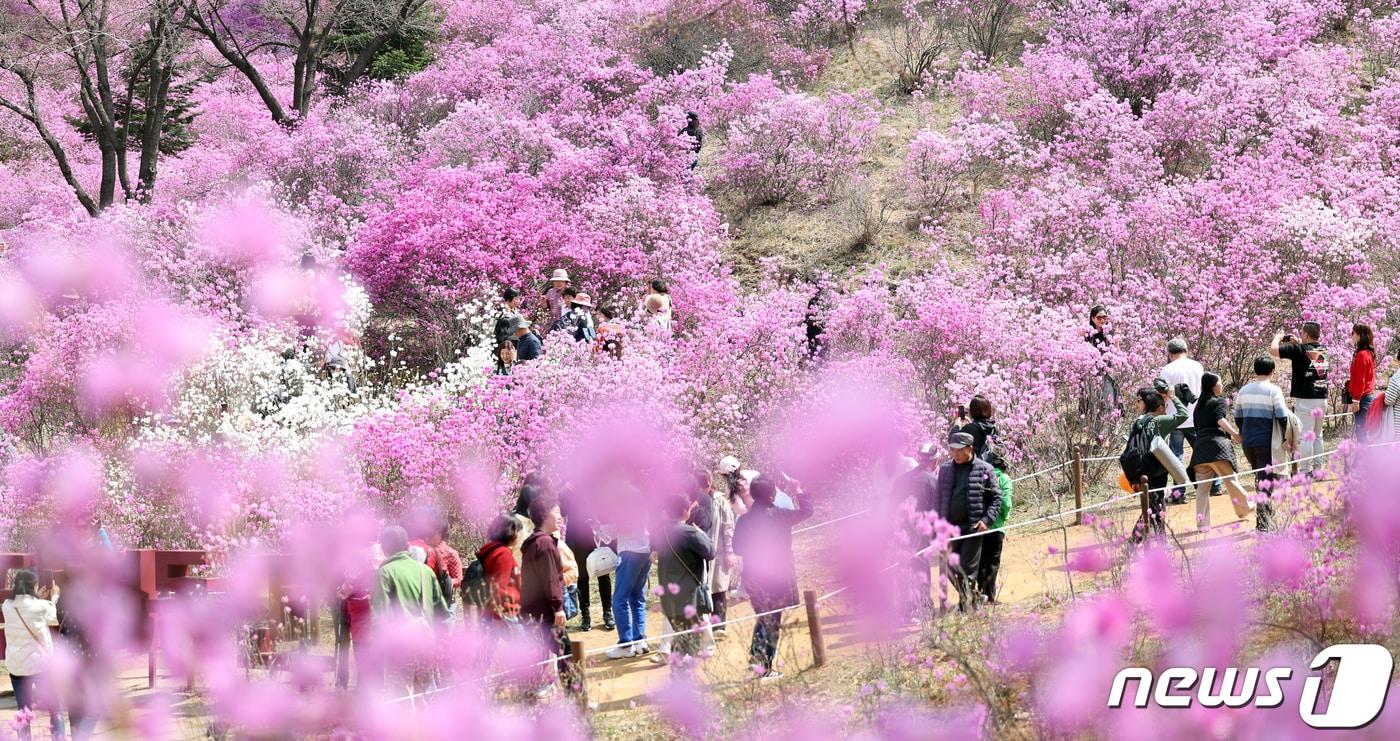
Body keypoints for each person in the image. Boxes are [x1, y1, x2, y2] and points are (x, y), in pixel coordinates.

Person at [732, 474, 814, 681]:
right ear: (771, 495)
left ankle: (755, 659)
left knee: (764, 616)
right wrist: (799, 491)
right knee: (772, 619)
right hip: (777, 574)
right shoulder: (779, 515)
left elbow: (738, 548)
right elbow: (807, 511)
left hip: (753, 575)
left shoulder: (744, 519)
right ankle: (765, 667)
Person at [928, 432, 1002, 611]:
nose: (955, 454)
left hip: (972, 528)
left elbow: (996, 498)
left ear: (969, 448)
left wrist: (986, 520)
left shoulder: (985, 469)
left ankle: (965, 609)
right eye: (952, 450)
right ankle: (976, 597)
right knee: (952, 570)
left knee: (967, 571)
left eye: (959, 450)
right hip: (949, 529)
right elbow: (938, 499)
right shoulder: (945, 470)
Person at [3, 569, 65, 741]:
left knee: (23, 710)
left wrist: (36, 596)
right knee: (55, 708)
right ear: (33, 586)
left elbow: (26, 606)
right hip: (41, 666)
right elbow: (54, 618)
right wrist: (54, 597)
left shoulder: (7, 606)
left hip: (17, 667)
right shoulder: (42, 606)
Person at [655, 494, 716, 659]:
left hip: (669, 596)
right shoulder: (689, 532)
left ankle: (679, 672)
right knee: (690, 645)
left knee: (681, 638)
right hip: (689, 596)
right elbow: (710, 552)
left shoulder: (661, 533)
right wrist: (700, 532)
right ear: (685, 511)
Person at [1189, 373, 1252, 527]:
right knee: (1230, 480)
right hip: (1218, 448)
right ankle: (1246, 506)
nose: (1222, 385)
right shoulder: (1218, 402)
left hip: (1200, 451)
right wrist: (1235, 434)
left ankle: (1203, 525)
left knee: (1202, 490)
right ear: (1213, 386)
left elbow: (1197, 428)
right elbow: (1220, 420)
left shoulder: (1198, 406)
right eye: (1220, 383)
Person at [519, 495, 567, 697]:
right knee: (567, 653)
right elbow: (550, 580)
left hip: (533, 610)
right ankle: (577, 697)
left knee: (541, 651)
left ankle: (535, 691)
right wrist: (558, 607)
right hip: (547, 611)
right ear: (545, 515)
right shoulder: (545, 544)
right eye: (556, 512)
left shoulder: (533, 543)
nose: (560, 517)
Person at [1235, 356, 1290, 531]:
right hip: (1266, 441)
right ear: (1272, 371)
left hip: (1248, 441)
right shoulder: (1274, 390)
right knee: (1265, 481)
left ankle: (1266, 515)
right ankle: (1263, 523)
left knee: (1261, 478)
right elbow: (1282, 416)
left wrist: (1245, 431)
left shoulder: (1243, 390)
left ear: (1255, 370)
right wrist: (1287, 437)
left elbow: (1238, 417)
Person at [1125, 386, 1187, 540]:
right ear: (1160, 407)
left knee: (1156, 507)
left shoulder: (1140, 420)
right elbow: (1183, 414)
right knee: (1153, 508)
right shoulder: (1160, 421)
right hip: (1157, 471)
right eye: (1164, 406)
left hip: (1141, 468)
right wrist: (1173, 397)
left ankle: (1161, 542)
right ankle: (1134, 543)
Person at [1270, 322, 1329, 474]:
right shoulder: (1322, 349)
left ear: (1306, 335)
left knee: (1306, 437)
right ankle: (1318, 469)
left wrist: (1278, 337)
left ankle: (1304, 471)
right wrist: (1297, 343)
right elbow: (1307, 355)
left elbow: (1273, 350)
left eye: (1302, 333)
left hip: (1306, 399)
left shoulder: (1299, 350)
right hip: (1322, 397)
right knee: (1318, 435)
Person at [1160, 337, 1208, 503]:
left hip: (1176, 419)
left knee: (1177, 457)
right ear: (1185, 350)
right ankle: (1214, 486)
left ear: (1170, 354)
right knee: (1204, 453)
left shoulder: (1167, 370)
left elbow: (1163, 395)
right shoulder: (1198, 366)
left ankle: (1179, 494)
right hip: (1196, 417)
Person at [895, 442, 942, 613]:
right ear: (936, 461)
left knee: (905, 568)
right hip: (922, 533)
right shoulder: (933, 481)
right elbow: (937, 510)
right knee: (922, 569)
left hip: (901, 532)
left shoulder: (901, 480)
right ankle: (924, 606)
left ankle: (908, 606)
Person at [561, 488, 613, 633]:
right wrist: (566, 491)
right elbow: (563, 511)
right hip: (576, 538)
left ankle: (607, 612)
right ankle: (586, 615)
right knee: (582, 577)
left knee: (603, 573)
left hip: (594, 536)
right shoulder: (568, 490)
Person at [372, 526, 449, 621]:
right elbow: (442, 613)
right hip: (427, 633)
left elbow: (380, 616)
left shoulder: (384, 573)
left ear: (383, 549)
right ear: (408, 546)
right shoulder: (425, 570)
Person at [604, 519, 652, 659]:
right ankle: (639, 641)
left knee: (619, 599)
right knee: (637, 597)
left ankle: (626, 644)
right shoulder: (644, 498)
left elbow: (623, 526)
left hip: (630, 552)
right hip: (646, 550)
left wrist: (600, 527)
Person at [705, 468, 737, 637]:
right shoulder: (694, 500)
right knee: (704, 589)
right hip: (701, 553)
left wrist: (729, 551)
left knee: (719, 588)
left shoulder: (720, 501)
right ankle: (705, 627)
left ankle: (719, 626)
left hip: (719, 552)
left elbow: (728, 526)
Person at [979, 451, 1013, 605]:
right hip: (996, 526)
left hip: (980, 525)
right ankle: (990, 598)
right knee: (992, 563)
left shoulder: (980, 477)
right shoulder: (1003, 478)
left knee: (980, 561)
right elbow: (1005, 502)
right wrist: (1004, 517)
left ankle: (980, 595)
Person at [477, 514, 523, 625]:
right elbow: (499, 586)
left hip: (498, 613)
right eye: (518, 530)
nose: (520, 535)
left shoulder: (493, 551)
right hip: (506, 613)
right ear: (511, 532)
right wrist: (499, 616)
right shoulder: (503, 554)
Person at [1085, 304, 1119, 410]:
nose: (1102, 320)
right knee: (1093, 405)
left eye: (1105, 317)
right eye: (1099, 318)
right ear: (1093, 318)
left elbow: (1116, 354)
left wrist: (1116, 341)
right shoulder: (1087, 334)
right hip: (1091, 374)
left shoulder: (1111, 333)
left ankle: (1111, 425)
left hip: (1107, 374)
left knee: (1110, 404)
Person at [1348, 323, 1378, 440]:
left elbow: (1361, 380)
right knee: (1362, 433)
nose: (1351, 336)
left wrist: (1356, 401)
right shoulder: (1367, 354)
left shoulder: (1362, 355)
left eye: (1353, 333)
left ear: (1359, 336)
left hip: (1363, 398)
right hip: (1366, 397)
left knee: (1361, 434)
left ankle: (1365, 457)